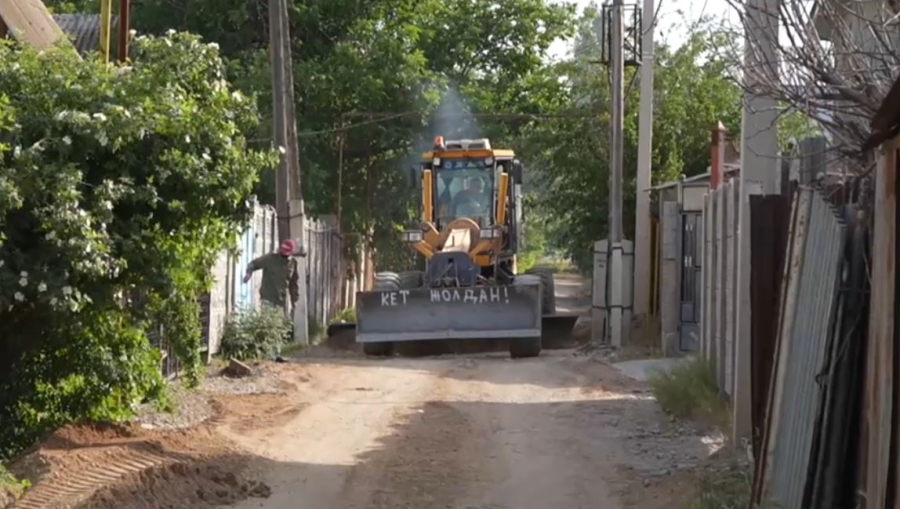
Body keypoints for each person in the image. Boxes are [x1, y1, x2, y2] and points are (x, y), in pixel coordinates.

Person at [243, 238, 301, 311]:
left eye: (286, 254)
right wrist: (249, 273)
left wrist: (294, 300)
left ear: (291, 253)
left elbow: (293, 284)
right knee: (267, 320)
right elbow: (253, 264)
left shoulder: (292, 263)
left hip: (281, 301)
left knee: (279, 321)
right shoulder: (270, 258)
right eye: (282, 253)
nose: (284, 256)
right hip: (268, 298)